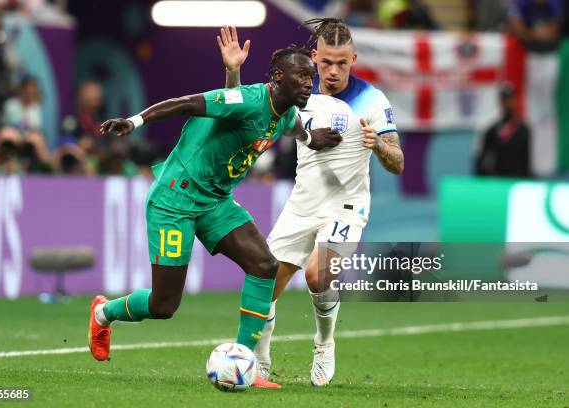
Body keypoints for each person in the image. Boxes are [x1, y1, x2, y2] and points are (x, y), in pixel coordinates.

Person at [88, 44, 342, 389]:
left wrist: (313, 138)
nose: (308, 83)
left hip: (215, 201)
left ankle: (245, 364)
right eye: (301, 75)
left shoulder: (285, 112)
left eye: (310, 77)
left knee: (264, 265)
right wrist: (134, 121)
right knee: (164, 305)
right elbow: (187, 103)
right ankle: (104, 313)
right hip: (175, 199)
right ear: (277, 78)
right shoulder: (248, 101)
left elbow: (294, 127)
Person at [218, 20, 404, 386]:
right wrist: (233, 71)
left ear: (353, 59)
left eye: (342, 64)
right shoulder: (296, 89)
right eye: (326, 63)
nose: (333, 72)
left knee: (319, 274)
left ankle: (324, 342)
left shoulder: (371, 100)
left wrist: (378, 144)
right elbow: (239, 111)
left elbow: (397, 161)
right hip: (303, 203)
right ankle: (260, 360)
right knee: (265, 285)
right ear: (315, 57)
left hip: (347, 205)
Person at [475, 82, 531, 177]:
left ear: (515, 100)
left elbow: (528, 161)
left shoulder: (524, 130)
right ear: (500, 101)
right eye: (505, 99)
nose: (508, 102)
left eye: (510, 98)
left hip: (518, 181)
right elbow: (482, 161)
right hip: (499, 183)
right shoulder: (492, 131)